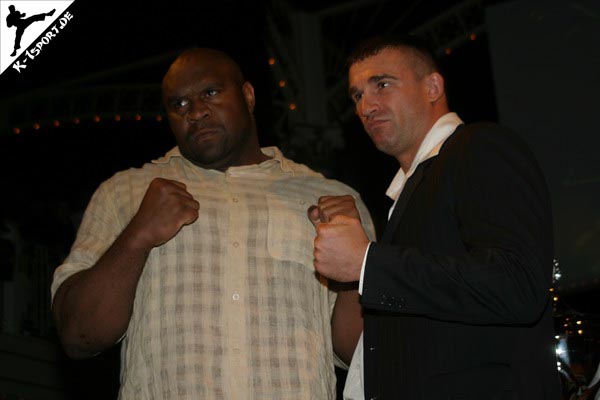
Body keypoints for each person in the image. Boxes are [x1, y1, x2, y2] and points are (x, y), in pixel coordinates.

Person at [51, 48, 375, 399]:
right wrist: (137, 236)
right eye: (179, 104)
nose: (196, 112)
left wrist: (353, 272)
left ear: (248, 96)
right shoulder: (125, 193)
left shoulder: (331, 200)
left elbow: (364, 354)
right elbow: (78, 334)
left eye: (210, 93)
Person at [310, 35, 561, 399]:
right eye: (357, 95)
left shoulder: (478, 147)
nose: (366, 106)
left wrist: (367, 262)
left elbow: (517, 284)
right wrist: (355, 268)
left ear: (432, 86)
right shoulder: (404, 198)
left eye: (382, 84)